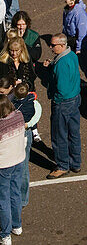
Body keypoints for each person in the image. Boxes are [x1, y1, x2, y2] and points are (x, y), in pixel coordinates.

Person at [45, 32, 82, 178]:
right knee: (73, 133)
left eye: (53, 45)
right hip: (75, 98)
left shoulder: (61, 64)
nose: (51, 47)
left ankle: (62, 165)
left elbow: (61, 88)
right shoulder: (71, 55)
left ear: (61, 45)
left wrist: (56, 100)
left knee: (59, 135)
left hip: (63, 103)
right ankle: (75, 162)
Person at [0, 93, 26, 241]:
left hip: (4, 165)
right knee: (15, 193)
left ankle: (5, 234)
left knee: (3, 199)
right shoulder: (19, 115)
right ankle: (17, 225)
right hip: (19, 160)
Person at [62, 0, 87, 88]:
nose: (65, 0)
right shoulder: (67, 9)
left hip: (81, 43)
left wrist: (78, 47)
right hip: (72, 40)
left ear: (73, 1)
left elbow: (82, 32)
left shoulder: (79, 13)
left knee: (85, 64)